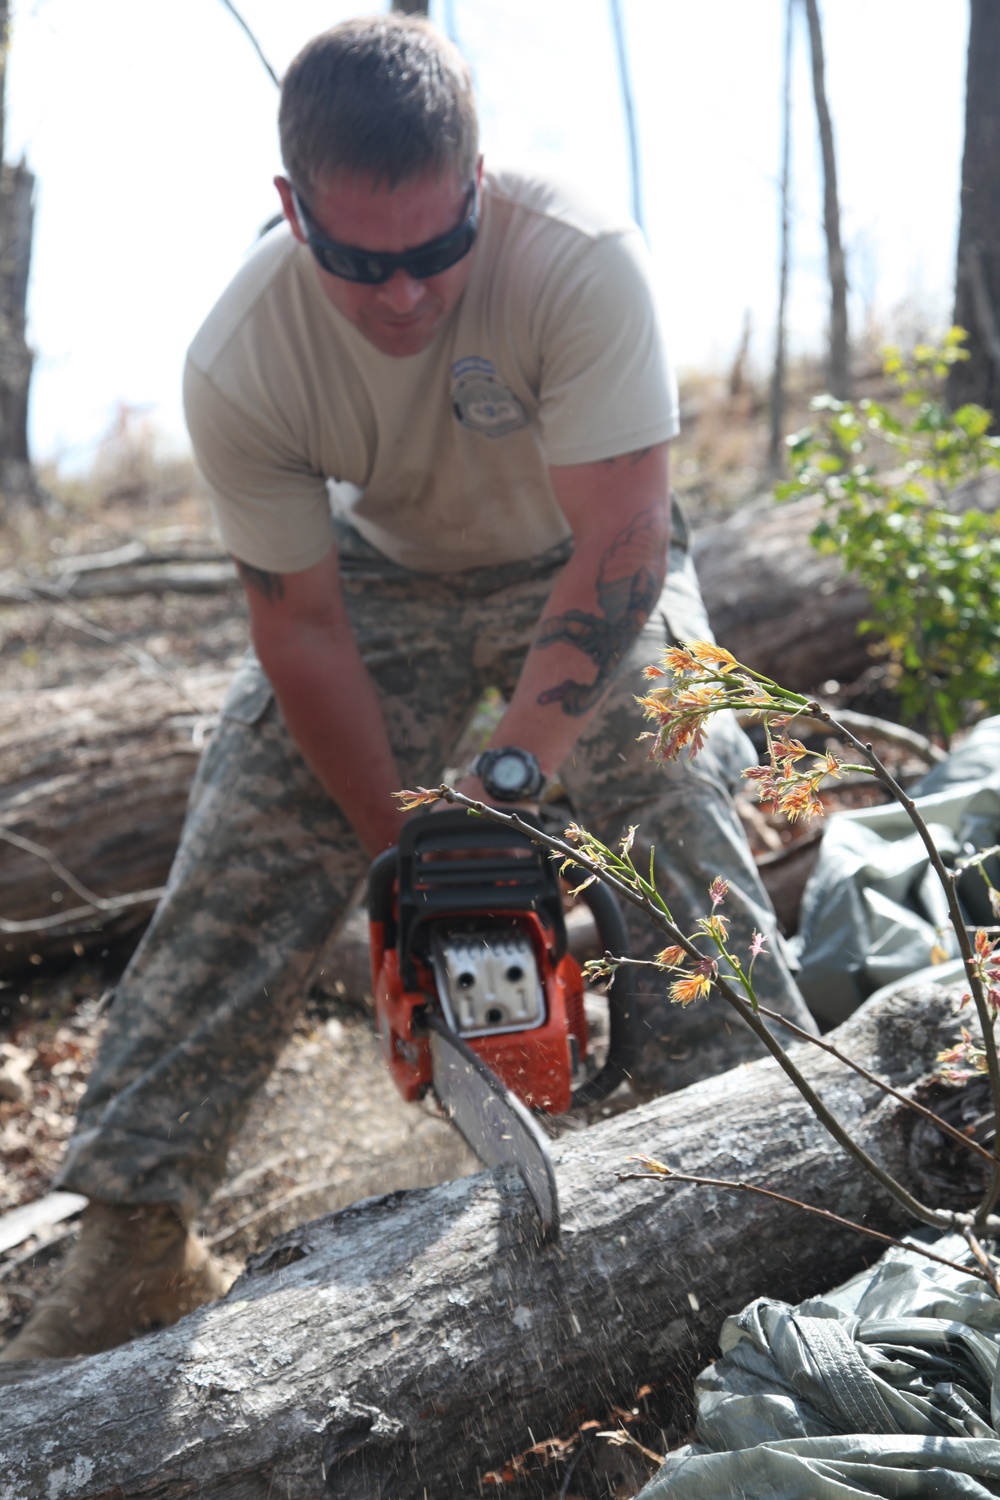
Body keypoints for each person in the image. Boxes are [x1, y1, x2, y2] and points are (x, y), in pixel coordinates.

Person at [1, 14, 816, 1363]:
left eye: (435, 252)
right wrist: (406, 857)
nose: (400, 296)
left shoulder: (582, 265)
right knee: (251, 816)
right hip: (385, 580)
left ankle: (748, 1137)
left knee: (674, 757)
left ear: (478, 180)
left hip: (579, 557)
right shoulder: (240, 352)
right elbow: (303, 630)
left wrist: (501, 790)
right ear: (291, 210)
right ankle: (136, 1234)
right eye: (359, 261)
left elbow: (623, 546)